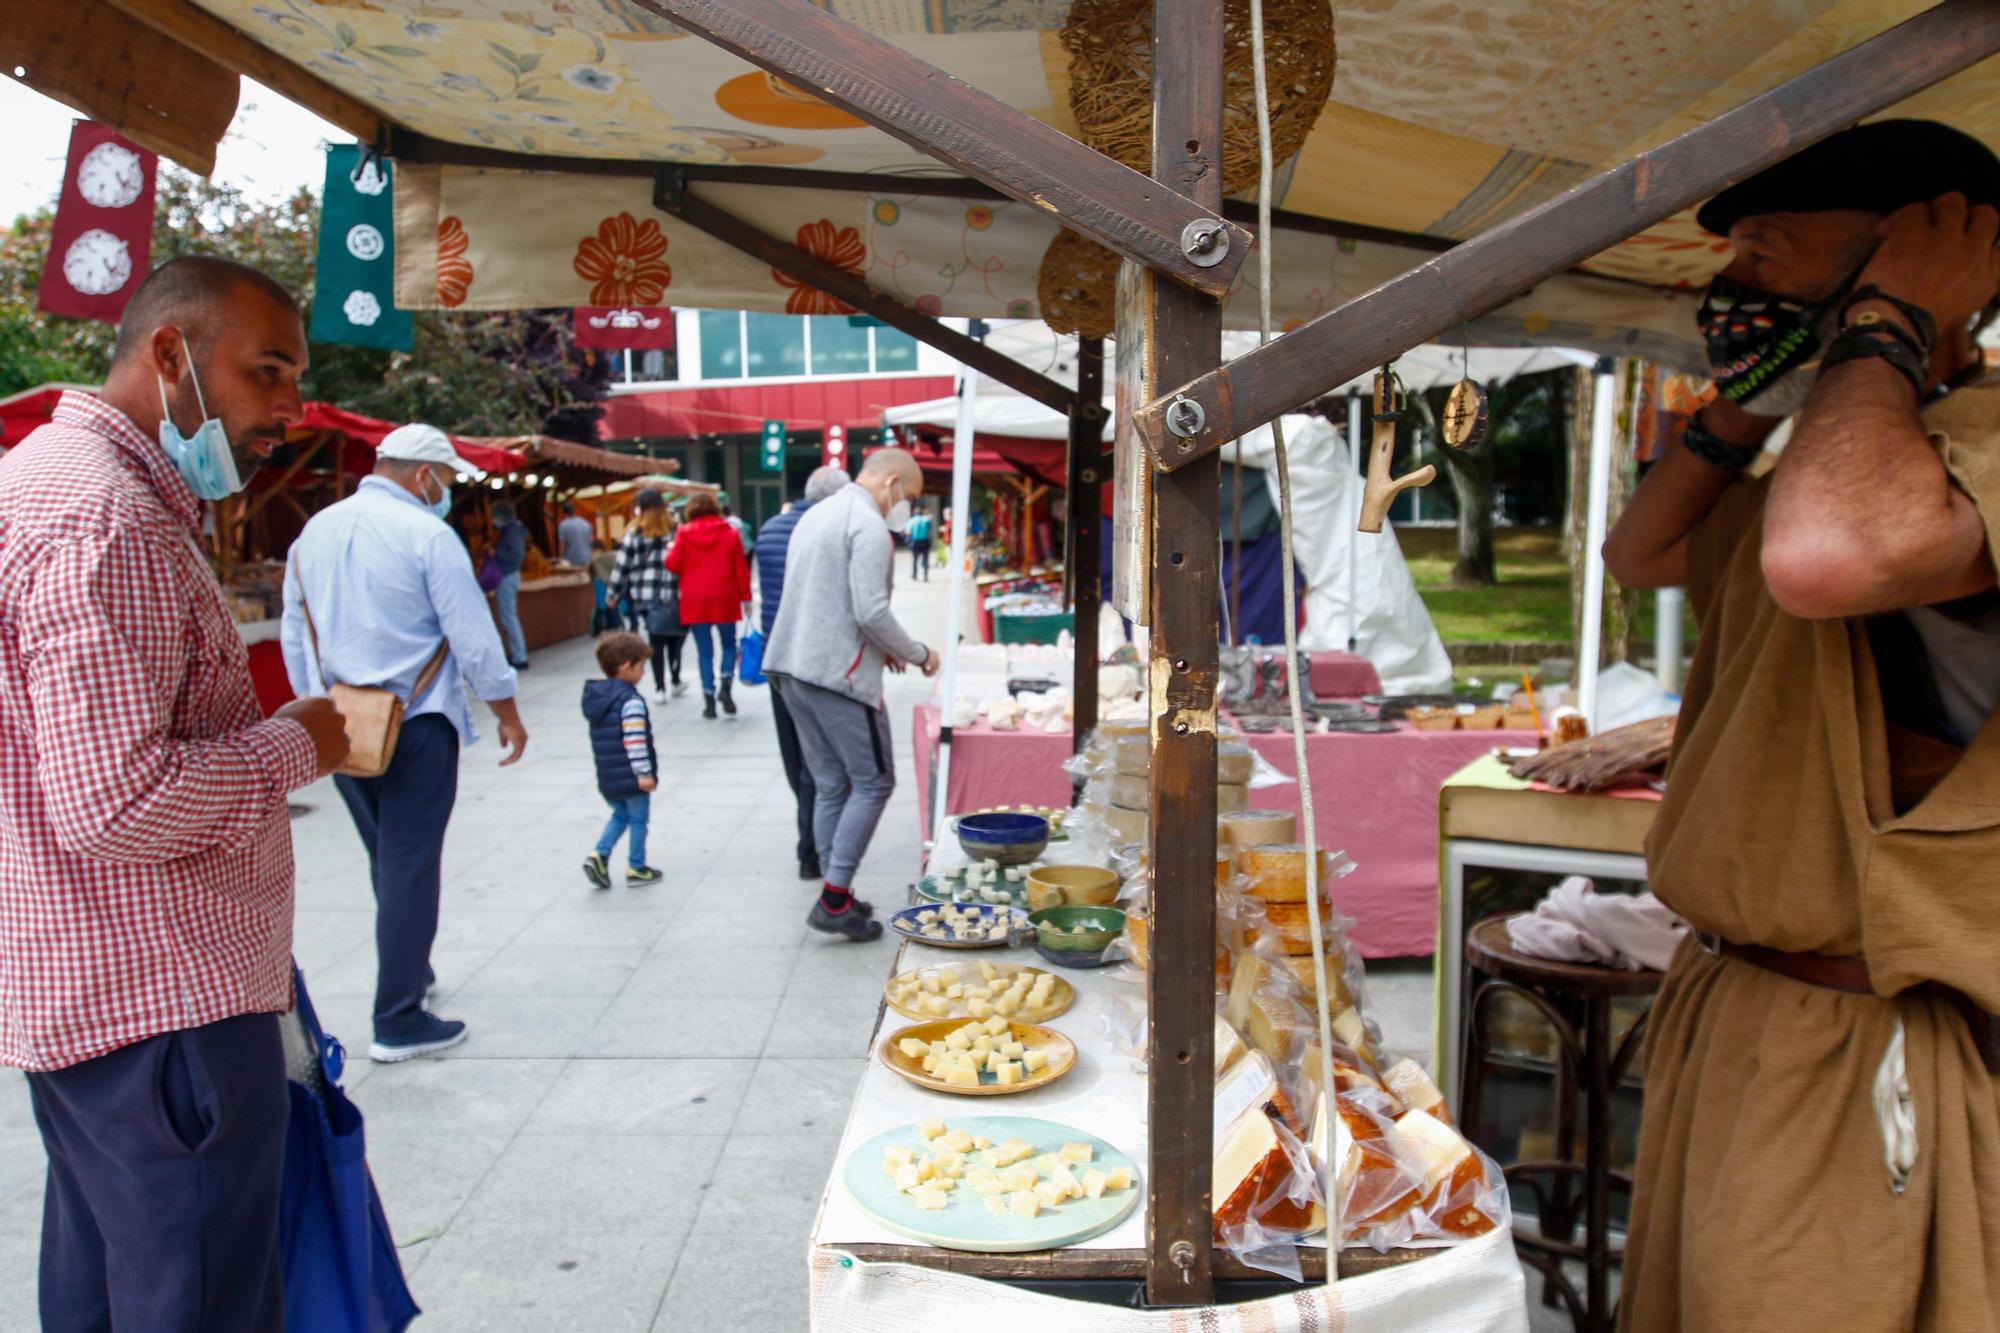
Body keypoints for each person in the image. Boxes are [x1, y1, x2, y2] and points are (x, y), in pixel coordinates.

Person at [1603, 121, 2000, 1331]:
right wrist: (1748, 400)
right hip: (1740, 1008)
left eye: (1768, 248)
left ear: (1922, 252)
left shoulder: (1959, 452)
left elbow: (1828, 557)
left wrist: (1884, 326)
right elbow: (1643, 551)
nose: (1736, 281)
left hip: (1861, 1033)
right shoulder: (1823, 465)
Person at [0, 255, 351, 1330]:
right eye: (269, 370)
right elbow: (115, 802)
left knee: (110, 1290)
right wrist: (298, 744)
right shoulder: (106, 519)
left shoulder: (45, 484)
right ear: (170, 354)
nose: (288, 407)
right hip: (163, 1008)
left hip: (96, 992)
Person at [284, 422, 529, 1063]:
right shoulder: (427, 534)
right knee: (409, 866)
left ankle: (410, 970)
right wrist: (506, 710)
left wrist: (316, 710)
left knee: (386, 860)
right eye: (444, 481)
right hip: (416, 722)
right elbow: (472, 633)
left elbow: (294, 632)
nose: (445, 492)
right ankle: (397, 1019)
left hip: (342, 724)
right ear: (424, 476)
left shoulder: (314, 532)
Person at [766, 448, 940, 943]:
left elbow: (827, 597)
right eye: (905, 496)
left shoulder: (816, 513)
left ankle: (833, 890)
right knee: (873, 781)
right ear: (889, 482)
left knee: (829, 783)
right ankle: (834, 899)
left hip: (790, 667)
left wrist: (878, 646)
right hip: (833, 675)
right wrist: (917, 651)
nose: (902, 506)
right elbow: (870, 610)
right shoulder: (866, 524)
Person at [755, 465, 851, 880]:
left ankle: (809, 839)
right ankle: (812, 848)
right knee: (822, 762)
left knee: (795, 755)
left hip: (775, 654)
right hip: (813, 657)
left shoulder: (769, 528)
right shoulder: (823, 531)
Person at [581, 632, 663, 889]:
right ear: (626, 667)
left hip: (608, 775)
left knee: (620, 815)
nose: (643, 673)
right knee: (638, 819)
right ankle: (636, 868)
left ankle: (599, 855)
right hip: (631, 777)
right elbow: (635, 740)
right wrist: (644, 774)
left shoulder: (598, 698)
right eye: (641, 667)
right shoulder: (630, 701)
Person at [667, 491, 753, 720]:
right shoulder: (730, 533)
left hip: (695, 598)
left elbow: (672, 564)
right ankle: (726, 684)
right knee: (728, 645)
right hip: (724, 595)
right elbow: (740, 568)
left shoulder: (683, 534)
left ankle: (709, 700)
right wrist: (747, 598)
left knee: (704, 652)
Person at [610, 489, 685, 699]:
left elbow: (622, 565)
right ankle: (675, 678)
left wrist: (613, 593)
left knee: (655, 640)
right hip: (674, 592)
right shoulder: (675, 528)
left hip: (644, 594)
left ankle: (660, 686)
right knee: (675, 637)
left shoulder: (635, 531)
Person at [491, 499, 530, 669]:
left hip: (508, 575)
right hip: (509, 575)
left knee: (509, 618)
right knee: (509, 617)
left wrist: (496, 553)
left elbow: (515, 556)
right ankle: (518, 654)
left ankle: (519, 656)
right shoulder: (513, 531)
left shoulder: (512, 532)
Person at [588, 538, 619, 634]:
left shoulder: (596, 558)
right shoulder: (608, 555)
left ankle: (602, 628)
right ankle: (614, 625)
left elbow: (600, 574)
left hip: (601, 583)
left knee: (602, 607)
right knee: (611, 605)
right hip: (609, 582)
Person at [557, 499, 594, 568]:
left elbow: (562, 545)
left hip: (573, 562)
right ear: (574, 511)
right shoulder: (585, 522)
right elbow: (591, 540)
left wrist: (561, 559)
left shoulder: (563, 525)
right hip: (588, 559)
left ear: (564, 513)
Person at [907, 504, 934, 580]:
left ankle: (915, 574)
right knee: (925, 559)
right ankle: (925, 576)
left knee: (915, 559)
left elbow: (908, 532)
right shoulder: (926, 520)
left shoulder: (912, 520)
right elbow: (929, 529)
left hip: (916, 542)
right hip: (925, 541)